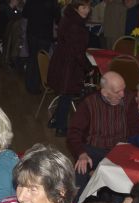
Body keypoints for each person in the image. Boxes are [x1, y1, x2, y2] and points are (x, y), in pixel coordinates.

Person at [67, 70, 139, 194]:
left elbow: (136, 130)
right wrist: (81, 154)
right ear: (105, 92)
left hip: (120, 150)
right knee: (81, 168)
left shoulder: (129, 100)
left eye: (123, 89)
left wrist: (131, 151)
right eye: (117, 92)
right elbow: (74, 132)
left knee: (124, 180)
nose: (123, 94)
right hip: (94, 149)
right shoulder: (89, 103)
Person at [47, 0, 92, 137]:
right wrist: (87, 67)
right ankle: (61, 128)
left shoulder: (68, 18)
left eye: (88, 7)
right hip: (69, 65)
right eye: (83, 7)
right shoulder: (75, 24)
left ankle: (54, 121)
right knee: (66, 96)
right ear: (76, 7)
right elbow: (77, 52)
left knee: (64, 95)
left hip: (63, 62)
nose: (87, 10)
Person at [22, 0, 57, 94]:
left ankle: (29, 84)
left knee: (32, 58)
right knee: (40, 60)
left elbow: (25, 14)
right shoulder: (52, 2)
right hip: (45, 34)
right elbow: (57, 17)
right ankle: (35, 85)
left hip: (32, 32)